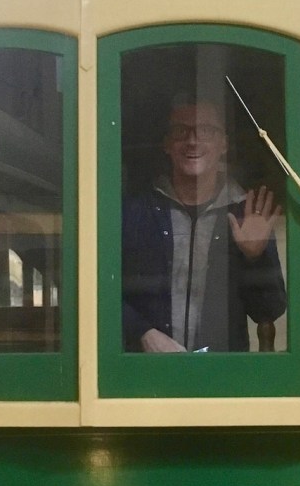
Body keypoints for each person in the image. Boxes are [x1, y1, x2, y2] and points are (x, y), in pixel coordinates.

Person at [122, 100, 287, 352]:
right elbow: (100, 289)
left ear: (224, 144)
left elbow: (269, 310)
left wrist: (255, 258)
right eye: (181, 131)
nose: (193, 141)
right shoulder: (136, 212)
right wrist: (142, 332)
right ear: (167, 144)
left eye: (206, 131)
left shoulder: (245, 212)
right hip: (147, 369)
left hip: (221, 371)